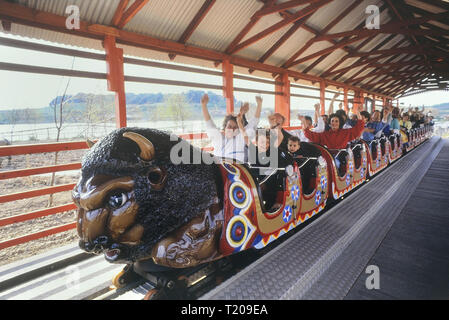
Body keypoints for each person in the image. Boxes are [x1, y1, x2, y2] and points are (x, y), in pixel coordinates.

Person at [201, 93, 262, 162]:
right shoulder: (218, 138)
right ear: (225, 128)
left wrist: (259, 105)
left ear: (239, 130)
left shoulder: (241, 138)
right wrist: (204, 106)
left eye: (235, 127)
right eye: (229, 126)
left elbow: (254, 122)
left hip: (238, 170)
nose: (232, 129)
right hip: (219, 169)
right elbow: (209, 124)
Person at [298, 103, 365, 150]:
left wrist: (358, 112)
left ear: (340, 123)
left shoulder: (345, 133)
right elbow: (311, 135)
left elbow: (359, 128)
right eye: (332, 121)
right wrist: (304, 123)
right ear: (330, 123)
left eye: (336, 121)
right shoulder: (325, 134)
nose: (334, 123)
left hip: (340, 156)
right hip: (328, 157)